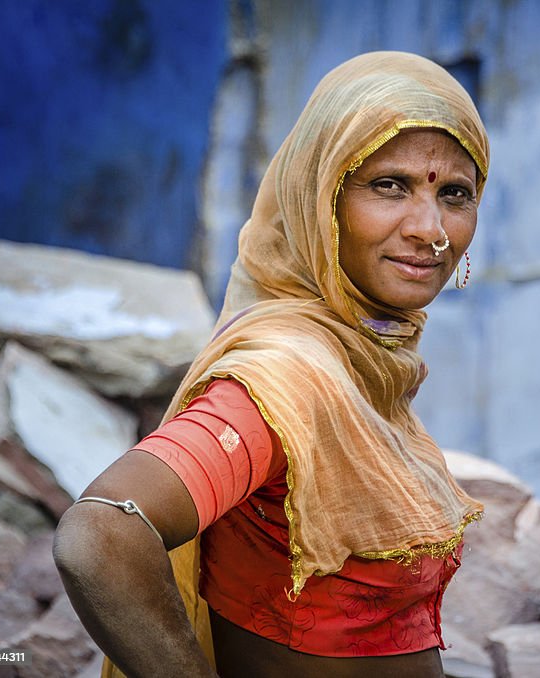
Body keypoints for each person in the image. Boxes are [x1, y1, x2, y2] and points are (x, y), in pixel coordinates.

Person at [53, 51, 488, 678]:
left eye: (455, 194)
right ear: (322, 202)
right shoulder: (289, 375)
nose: (430, 228)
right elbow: (102, 535)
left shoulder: (365, 360)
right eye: (388, 186)